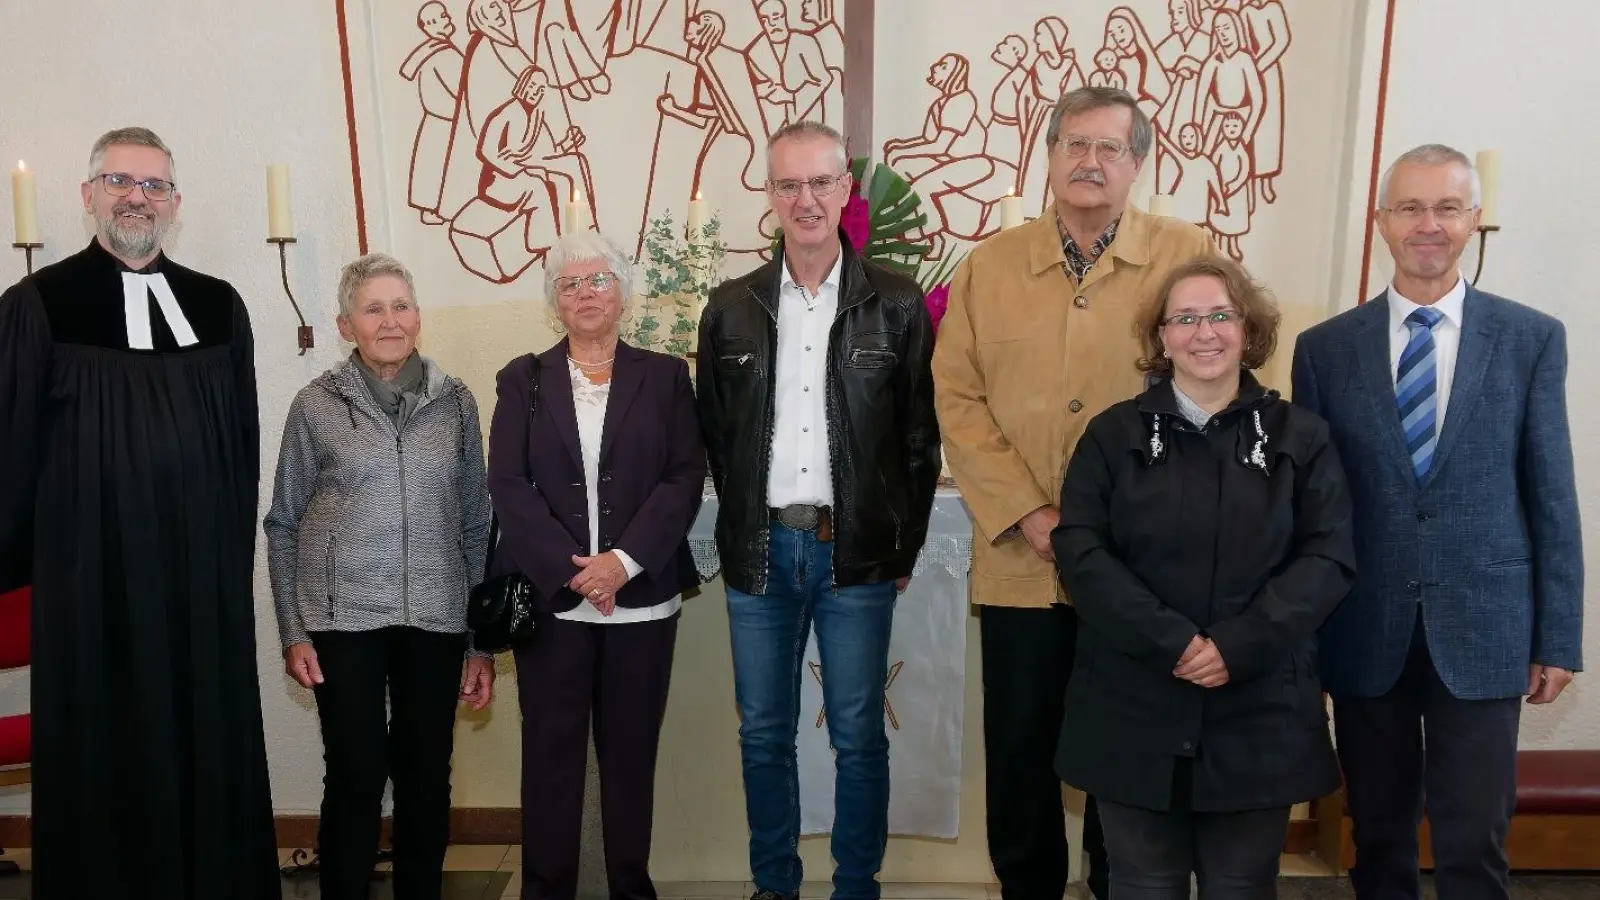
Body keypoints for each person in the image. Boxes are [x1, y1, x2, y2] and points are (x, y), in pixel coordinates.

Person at [932, 86, 1215, 900]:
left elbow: (1214, 383)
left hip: (1140, 564)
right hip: (1025, 556)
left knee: (1125, 746)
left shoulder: (1185, 258)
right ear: (1049, 155)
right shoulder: (990, 265)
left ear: (1139, 164)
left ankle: (1119, 885)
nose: (1091, 162)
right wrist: (1029, 510)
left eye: (1111, 148)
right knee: (1021, 746)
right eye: (1074, 145)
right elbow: (958, 396)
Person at [1292, 144, 1584, 900]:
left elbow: (1551, 492)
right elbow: (1311, 510)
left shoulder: (1530, 339)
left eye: (1447, 208)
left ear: (1473, 222)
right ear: (1381, 222)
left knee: (1473, 840)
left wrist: (1558, 636)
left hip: (1488, 627)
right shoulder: (1324, 351)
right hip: (1365, 626)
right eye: (1411, 207)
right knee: (1379, 836)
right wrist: (1304, 634)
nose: (1429, 224)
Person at [0, 127, 277, 898]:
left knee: (203, 738)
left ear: (175, 204)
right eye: (119, 181)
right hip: (90, 589)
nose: (136, 197)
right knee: (104, 745)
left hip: (197, 590)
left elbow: (243, 452)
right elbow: (11, 446)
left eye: (153, 185)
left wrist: (225, 565)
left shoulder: (219, 309)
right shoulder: (38, 306)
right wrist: (28, 569)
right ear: (88, 195)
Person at [1052, 255, 1355, 898]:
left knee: (1242, 884)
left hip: (1259, 708)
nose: (1204, 332)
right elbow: (1081, 551)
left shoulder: (1302, 437)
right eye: (1184, 318)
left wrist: (1235, 647)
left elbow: (1328, 558)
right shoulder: (1110, 436)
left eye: (1220, 314)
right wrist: (1175, 643)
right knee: (1142, 883)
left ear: (1248, 329)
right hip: (1134, 702)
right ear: (1162, 337)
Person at [696, 120, 940, 900]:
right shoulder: (729, 309)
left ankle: (856, 886)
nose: (805, 199)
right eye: (788, 184)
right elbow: (714, 434)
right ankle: (775, 885)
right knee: (764, 735)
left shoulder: (896, 305)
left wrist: (898, 552)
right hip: (762, 555)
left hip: (855, 556)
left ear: (846, 191)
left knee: (860, 737)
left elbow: (918, 441)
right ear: (769, 196)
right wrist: (739, 535)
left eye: (820, 182)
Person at [263, 252, 495, 899]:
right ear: (346, 325)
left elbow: (477, 522)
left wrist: (478, 642)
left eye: (400, 306)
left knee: (426, 774)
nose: (389, 320)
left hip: (436, 616)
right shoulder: (316, 406)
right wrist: (293, 631)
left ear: (418, 316)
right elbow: (282, 522)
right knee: (357, 773)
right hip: (342, 620)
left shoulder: (456, 404)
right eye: (373, 308)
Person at [488, 230, 706, 900]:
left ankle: (629, 889)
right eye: (569, 284)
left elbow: (682, 477)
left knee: (629, 761)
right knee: (550, 761)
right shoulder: (523, 378)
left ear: (623, 293)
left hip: (642, 603)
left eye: (597, 281)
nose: (584, 294)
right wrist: (574, 567)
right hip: (553, 602)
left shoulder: (667, 377)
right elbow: (508, 483)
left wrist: (622, 562)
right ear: (555, 301)